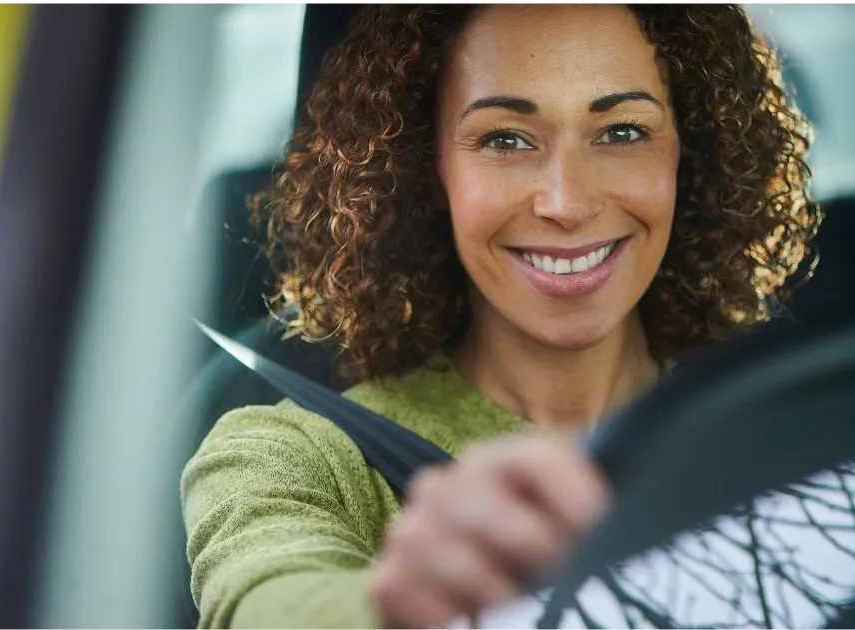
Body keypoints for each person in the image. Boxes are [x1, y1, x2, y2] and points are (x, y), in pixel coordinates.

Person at [181, 4, 821, 628]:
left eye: (623, 132)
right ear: (427, 166)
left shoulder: (788, 412)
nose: (567, 203)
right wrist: (399, 606)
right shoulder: (289, 453)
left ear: (688, 150)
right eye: (505, 139)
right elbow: (265, 600)